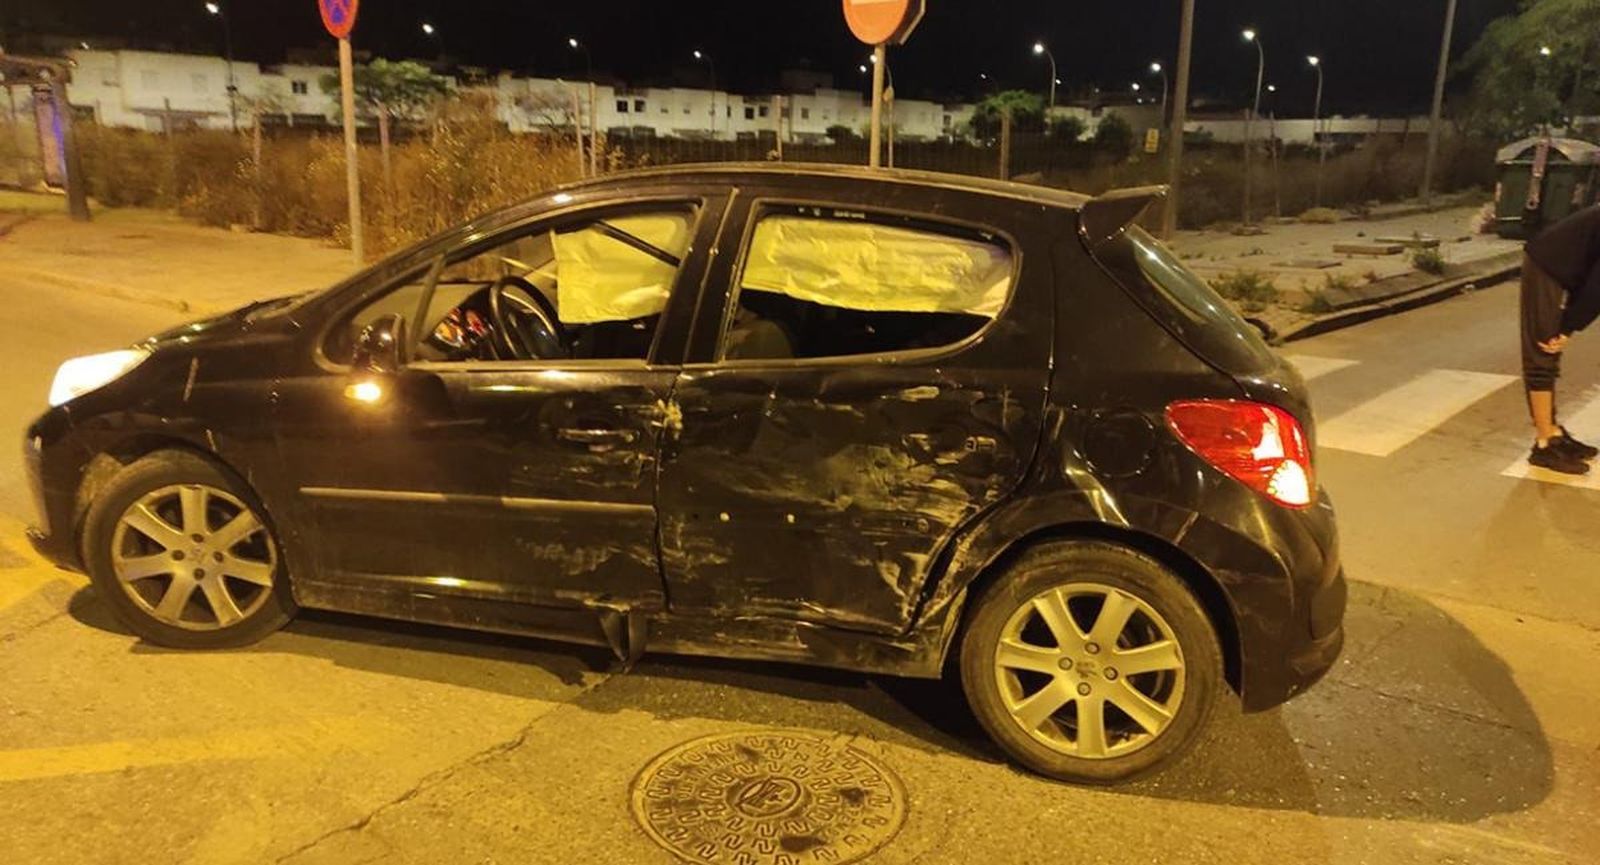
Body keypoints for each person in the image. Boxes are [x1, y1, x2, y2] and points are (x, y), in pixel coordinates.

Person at [1521, 204, 1600, 475]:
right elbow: (1597, 286)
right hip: (1548, 264)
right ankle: (1544, 445)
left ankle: (1553, 431)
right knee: (1544, 348)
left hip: (1565, 267)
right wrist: (1567, 327)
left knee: (1550, 350)